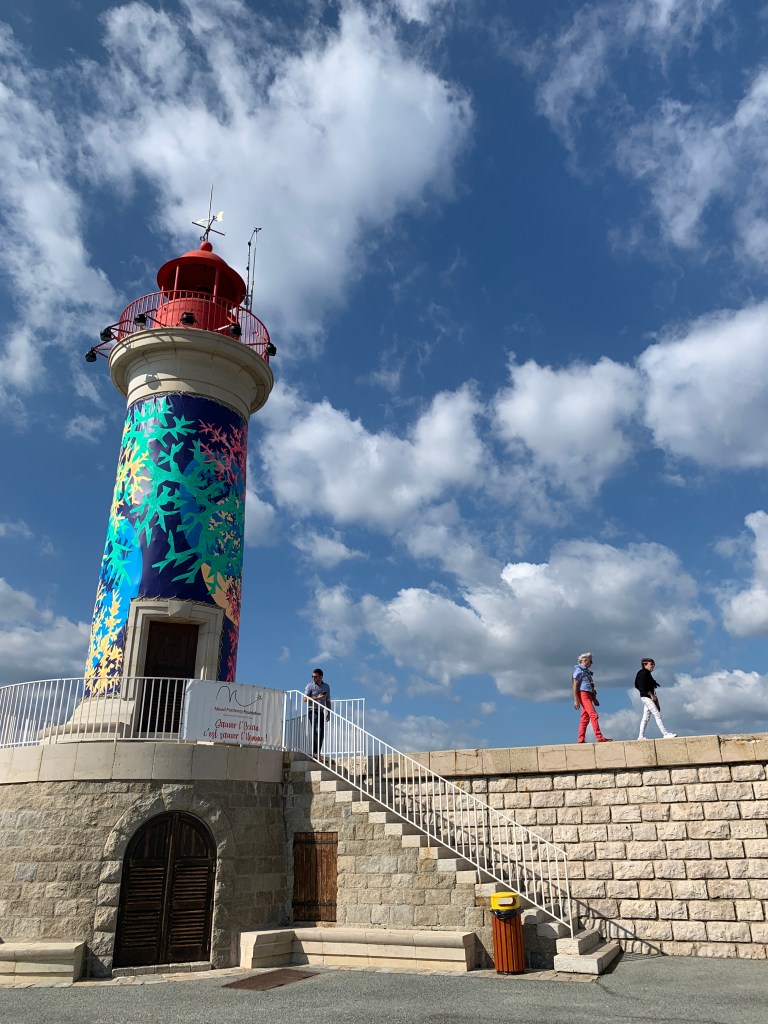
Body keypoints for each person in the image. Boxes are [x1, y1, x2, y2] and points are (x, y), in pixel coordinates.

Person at [572, 652, 611, 743]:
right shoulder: (579, 670)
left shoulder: (586, 672)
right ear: (585, 661)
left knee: (585, 718)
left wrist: (594, 698)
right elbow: (575, 684)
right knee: (593, 715)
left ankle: (581, 739)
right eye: (590, 661)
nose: (591, 663)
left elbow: (590, 686)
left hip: (588, 695)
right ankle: (599, 737)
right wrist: (576, 699)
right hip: (583, 694)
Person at [635, 657, 676, 739]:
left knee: (645, 717)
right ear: (645, 665)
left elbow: (637, 685)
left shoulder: (645, 673)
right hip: (647, 697)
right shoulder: (644, 673)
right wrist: (651, 695)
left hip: (645, 697)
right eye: (651, 664)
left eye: (653, 664)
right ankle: (665, 734)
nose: (653, 666)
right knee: (656, 714)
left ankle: (640, 736)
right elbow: (641, 685)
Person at [303, 667, 331, 759]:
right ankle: (315, 753)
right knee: (316, 730)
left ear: (321, 677)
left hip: (321, 711)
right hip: (312, 710)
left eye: (315, 676)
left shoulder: (326, 686)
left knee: (321, 732)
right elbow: (304, 699)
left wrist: (329, 713)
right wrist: (316, 698)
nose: (313, 678)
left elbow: (328, 700)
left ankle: (317, 752)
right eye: (312, 676)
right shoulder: (310, 686)